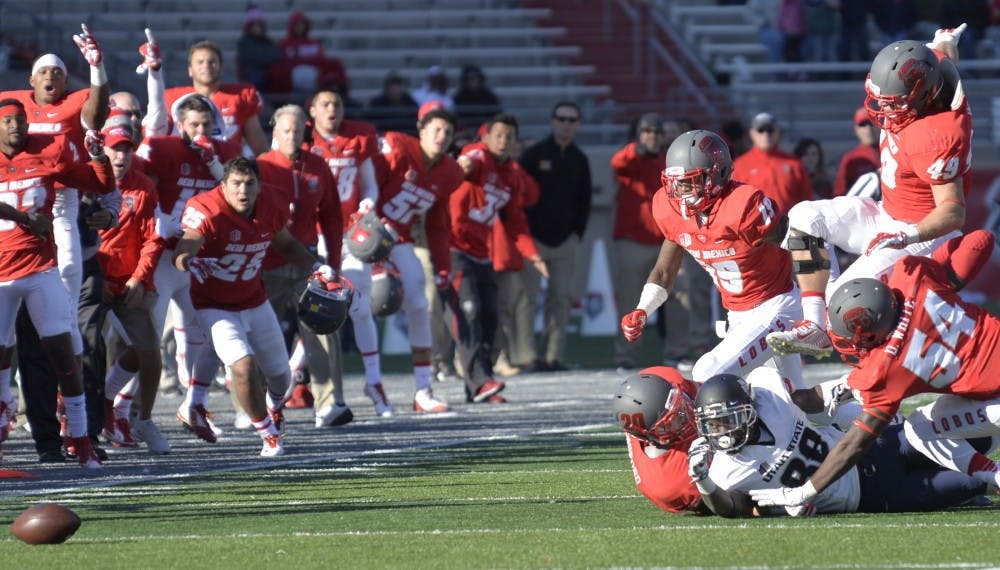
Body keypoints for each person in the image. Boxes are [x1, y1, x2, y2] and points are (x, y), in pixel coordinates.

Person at [748, 231, 1000, 514]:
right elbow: (981, 239)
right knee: (925, 425)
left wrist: (803, 492)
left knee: (918, 430)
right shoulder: (911, 277)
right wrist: (950, 280)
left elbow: (853, 446)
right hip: (988, 387)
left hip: (995, 401)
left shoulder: (886, 369)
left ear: (866, 333)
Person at [619, 130, 850, 422]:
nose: (684, 192)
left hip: (777, 306)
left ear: (719, 174)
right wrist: (643, 308)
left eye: (693, 181)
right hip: (738, 314)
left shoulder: (743, 205)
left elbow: (808, 242)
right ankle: (876, 422)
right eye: (678, 184)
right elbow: (665, 269)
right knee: (797, 406)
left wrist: (823, 307)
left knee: (708, 372)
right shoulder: (668, 207)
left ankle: (707, 449)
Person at [766, 30, 971, 358]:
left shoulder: (938, 134)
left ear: (920, 96)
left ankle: (876, 370)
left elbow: (952, 212)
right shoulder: (932, 75)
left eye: (893, 102)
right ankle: (815, 326)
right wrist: (944, 39)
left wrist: (905, 237)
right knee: (805, 216)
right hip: (886, 210)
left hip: (921, 230)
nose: (883, 109)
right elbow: (942, 54)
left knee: (846, 305)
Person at [173, 157, 338, 457]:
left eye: (249, 183)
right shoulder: (206, 209)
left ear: (260, 186)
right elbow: (184, 248)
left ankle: (272, 409)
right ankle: (268, 434)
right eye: (235, 183)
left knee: (280, 376)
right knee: (243, 365)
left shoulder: (273, 203)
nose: (242, 190)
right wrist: (190, 261)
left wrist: (316, 266)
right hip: (214, 305)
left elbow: (286, 245)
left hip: (254, 299)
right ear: (223, 185)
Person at [689, 370, 988, 517]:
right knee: (973, 481)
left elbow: (808, 399)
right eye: (713, 424)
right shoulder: (725, 471)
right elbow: (734, 507)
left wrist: (847, 385)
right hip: (876, 496)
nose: (721, 431)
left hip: (880, 445)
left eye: (728, 419)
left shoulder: (770, 398)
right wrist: (703, 481)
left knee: (977, 434)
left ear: (750, 409)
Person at [0, 97, 113, 468]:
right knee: (2, 354)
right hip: (1, 273)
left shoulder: (49, 152)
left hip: (39, 266)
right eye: (8, 121)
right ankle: (4, 418)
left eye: (21, 120)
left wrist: (97, 156)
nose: (17, 126)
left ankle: (80, 436)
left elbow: (96, 182)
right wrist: (23, 217)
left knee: (63, 348)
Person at [137, 95, 233, 442]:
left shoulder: (223, 153)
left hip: (197, 258)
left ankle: (193, 405)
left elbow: (238, 198)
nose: (201, 131)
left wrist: (215, 166)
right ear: (181, 125)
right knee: (144, 339)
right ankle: (123, 410)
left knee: (205, 335)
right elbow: (138, 183)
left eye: (206, 125)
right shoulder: (164, 148)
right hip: (163, 256)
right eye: (194, 124)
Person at [258, 103, 347, 428]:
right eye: (285, 130)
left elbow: (333, 217)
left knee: (323, 329)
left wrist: (333, 264)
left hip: (308, 261)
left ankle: (328, 403)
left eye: (297, 130)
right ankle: (252, 406)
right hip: (267, 262)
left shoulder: (318, 166)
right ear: (275, 133)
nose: (292, 136)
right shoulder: (261, 166)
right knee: (257, 334)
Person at [373, 105, 464, 412]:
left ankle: (423, 389)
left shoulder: (449, 172)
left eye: (448, 132)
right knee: (348, 305)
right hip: (363, 234)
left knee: (420, 302)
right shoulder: (397, 147)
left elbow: (438, 225)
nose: (442, 136)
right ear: (420, 130)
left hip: (398, 239)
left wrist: (442, 267)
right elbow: (364, 186)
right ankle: (296, 372)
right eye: (436, 130)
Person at [307, 89, 392, 419]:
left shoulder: (360, 136)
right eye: (325, 104)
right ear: (312, 110)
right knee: (316, 310)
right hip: (314, 236)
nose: (332, 109)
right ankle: (291, 383)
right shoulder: (301, 138)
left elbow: (369, 183)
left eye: (337, 104)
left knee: (358, 304)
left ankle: (374, 381)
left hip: (350, 234)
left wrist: (367, 205)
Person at [451, 113, 547, 402]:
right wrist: (464, 163)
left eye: (509, 137)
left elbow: (516, 223)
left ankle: (480, 384)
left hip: (481, 253)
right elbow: (470, 161)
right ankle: (480, 380)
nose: (503, 141)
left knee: (492, 318)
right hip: (453, 248)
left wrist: (533, 255)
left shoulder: (513, 176)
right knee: (469, 314)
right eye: (499, 135)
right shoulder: (478, 156)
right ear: (486, 137)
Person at [95, 112, 170, 454]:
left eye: (126, 148)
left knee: (149, 353)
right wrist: (91, 279)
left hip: (128, 280)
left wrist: (140, 278)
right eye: (114, 149)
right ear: (101, 150)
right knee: (79, 349)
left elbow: (153, 239)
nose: (120, 156)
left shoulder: (144, 187)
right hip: (91, 282)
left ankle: (140, 416)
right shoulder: (83, 181)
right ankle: (74, 417)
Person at [519, 102, 591, 372]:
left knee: (561, 298)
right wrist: (525, 235)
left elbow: (584, 201)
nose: (566, 124)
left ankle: (552, 356)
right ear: (552, 121)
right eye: (561, 118)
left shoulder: (579, 159)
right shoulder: (534, 155)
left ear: (578, 124)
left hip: (565, 241)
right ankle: (526, 356)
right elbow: (519, 196)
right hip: (534, 239)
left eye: (572, 120)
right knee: (528, 298)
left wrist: (576, 234)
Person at [609, 114, 667, 370]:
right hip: (633, 239)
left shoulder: (667, 161)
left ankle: (680, 350)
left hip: (666, 240)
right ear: (638, 134)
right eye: (646, 131)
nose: (652, 135)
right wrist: (636, 149)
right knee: (630, 299)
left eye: (656, 131)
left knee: (682, 297)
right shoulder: (632, 158)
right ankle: (626, 355)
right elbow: (617, 163)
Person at [611, 366, 705, 514]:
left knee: (707, 366)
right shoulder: (668, 483)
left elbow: (706, 389)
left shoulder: (662, 379)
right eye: (672, 420)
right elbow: (725, 502)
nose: (685, 413)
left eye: (680, 403)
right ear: (652, 438)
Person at [164, 40, 268, 158]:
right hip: (187, 168)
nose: (206, 66)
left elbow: (259, 148)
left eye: (212, 61)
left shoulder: (241, 96)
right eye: (200, 62)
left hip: (227, 168)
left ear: (221, 67)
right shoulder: (173, 99)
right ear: (190, 70)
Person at [732, 112, 812, 215]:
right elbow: (734, 203)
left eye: (770, 130)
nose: (766, 134)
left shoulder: (794, 163)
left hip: (788, 227)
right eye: (761, 130)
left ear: (777, 132)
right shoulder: (740, 165)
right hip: (754, 228)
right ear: (752, 133)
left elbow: (806, 200)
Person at [278, 11, 346, 95]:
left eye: (302, 25)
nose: (300, 27)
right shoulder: (285, 44)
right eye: (298, 25)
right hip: (298, 76)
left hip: (317, 73)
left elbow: (322, 59)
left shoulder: (313, 43)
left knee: (334, 67)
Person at [832, 107, 880, 198]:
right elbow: (839, 194)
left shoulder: (891, 150)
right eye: (863, 125)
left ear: (879, 125)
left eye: (871, 123)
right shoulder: (851, 158)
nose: (868, 129)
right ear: (856, 129)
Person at [236, 6, 284, 94]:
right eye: (255, 26)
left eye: (260, 26)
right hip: (252, 74)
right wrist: (265, 59)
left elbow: (277, 56)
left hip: (266, 73)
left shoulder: (267, 41)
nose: (258, 28)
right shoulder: (244, 42)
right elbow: (253, 58)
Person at [452, 65, 502, 134]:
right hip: (465, 132)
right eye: (470, 79)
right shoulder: (459, 98)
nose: (473, 82)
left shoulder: (490, 97)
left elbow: (496, 115)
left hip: (486, 131)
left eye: (475, 79)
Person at [366, 71, 419, 135]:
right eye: (392, 86)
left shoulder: (409, 102)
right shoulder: (377, 103)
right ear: (387, 87)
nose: (395, 89)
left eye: (398, 86)